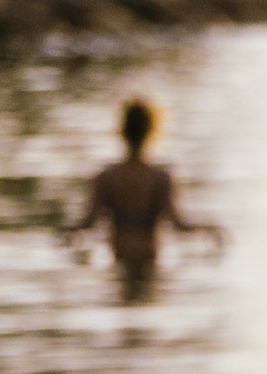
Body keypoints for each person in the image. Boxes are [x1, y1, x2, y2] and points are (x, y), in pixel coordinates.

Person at [73, 100, 215, 276]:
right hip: (150, 261)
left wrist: (65, 231)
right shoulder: (161, 178)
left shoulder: (106, 177)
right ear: (152, 130)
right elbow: (179, 225)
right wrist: (209, 228)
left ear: (122, 130)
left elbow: (87, 223)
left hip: (118, 261)